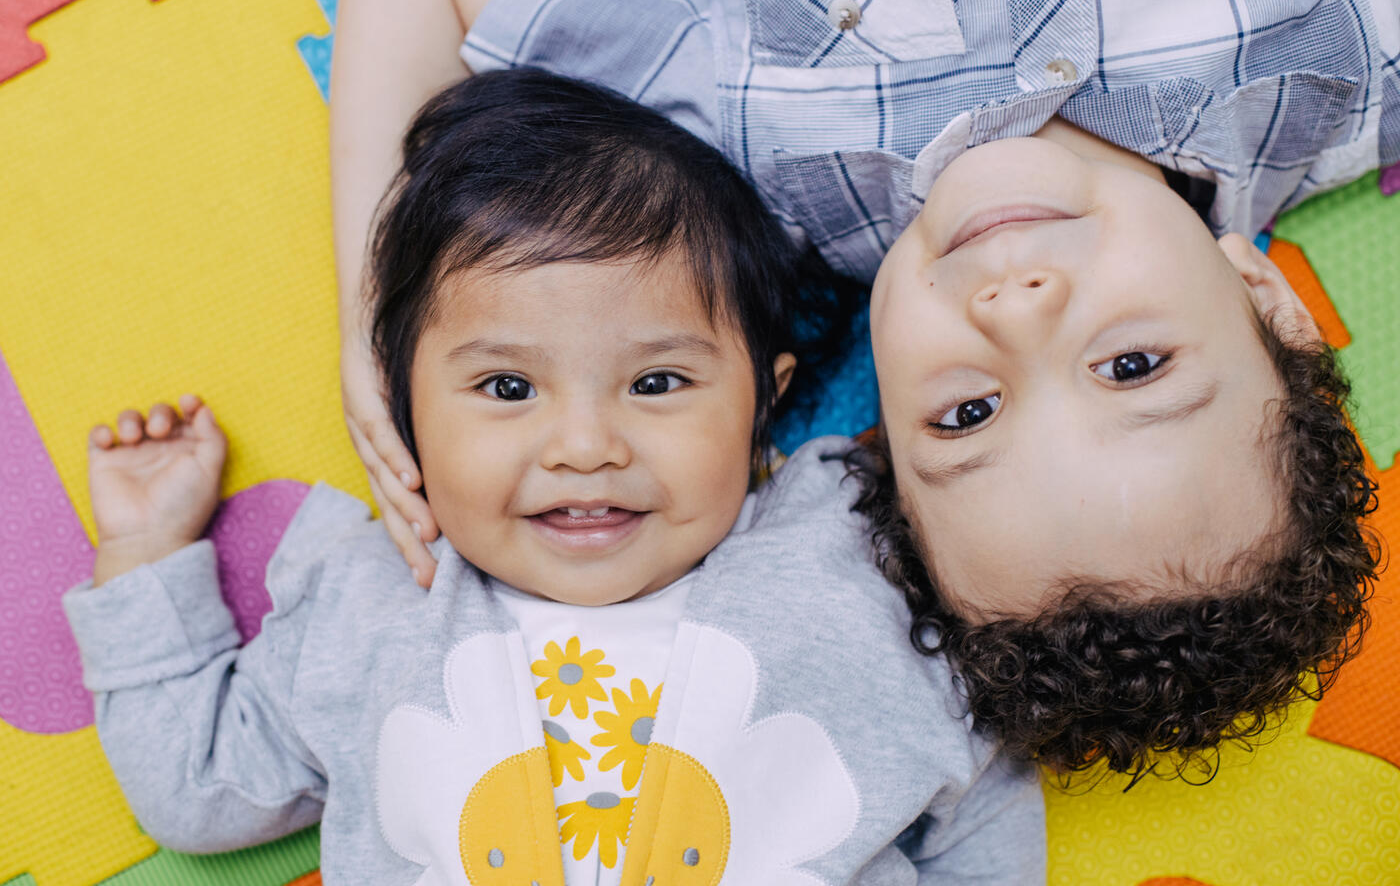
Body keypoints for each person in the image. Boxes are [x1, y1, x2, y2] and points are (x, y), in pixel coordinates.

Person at [330, 0, 1391, 778]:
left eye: (968, 412)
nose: (1016, 313)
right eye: (1131, 364)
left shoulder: (751, 191)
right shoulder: (1336, 76)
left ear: (879, 424)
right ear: (1268, 304)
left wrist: (376, 317)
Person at [63, 68, 1045, 882]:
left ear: (766, 397)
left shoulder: (858, 554)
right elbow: (197, 781)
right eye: (505, 386)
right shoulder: (372, 606)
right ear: (396, 409)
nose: (584, 445)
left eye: (656, 381)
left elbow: (986, 777)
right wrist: (146, 551)